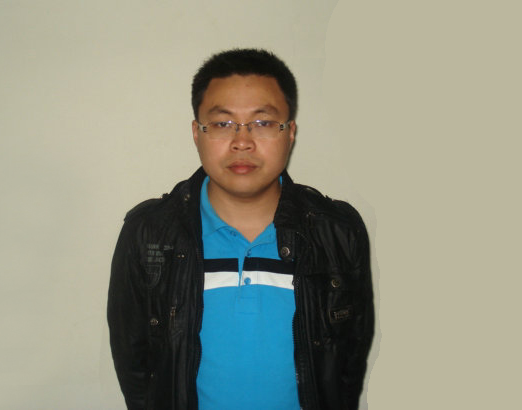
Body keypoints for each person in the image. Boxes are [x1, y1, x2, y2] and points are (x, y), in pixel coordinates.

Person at [108, 48, 374, 410]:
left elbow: (348, 366)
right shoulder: (150, 233)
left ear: (290, 133)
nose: (242, 141)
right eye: (222, 124)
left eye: (262, 122)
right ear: (197, 133)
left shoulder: (337, 232)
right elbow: (136, 371)